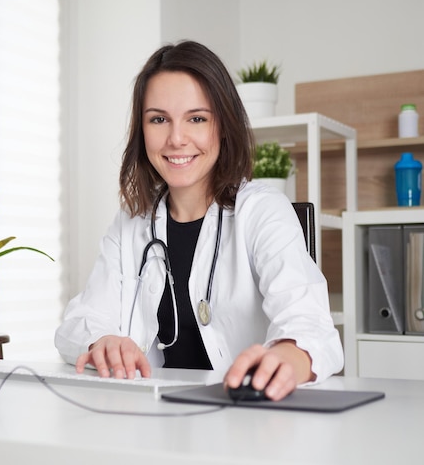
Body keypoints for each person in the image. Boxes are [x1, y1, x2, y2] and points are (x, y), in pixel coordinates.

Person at [54, 40, 343, 401]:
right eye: (159, 119)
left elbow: (310, 324)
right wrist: (103, 341)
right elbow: (76, 324)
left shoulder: (264, 211)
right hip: (152, 420)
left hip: (247, 423)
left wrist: (287, 356)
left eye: (197, 118)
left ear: (222, 126)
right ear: (141, 131)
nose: (176, 139)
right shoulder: (131, 222)